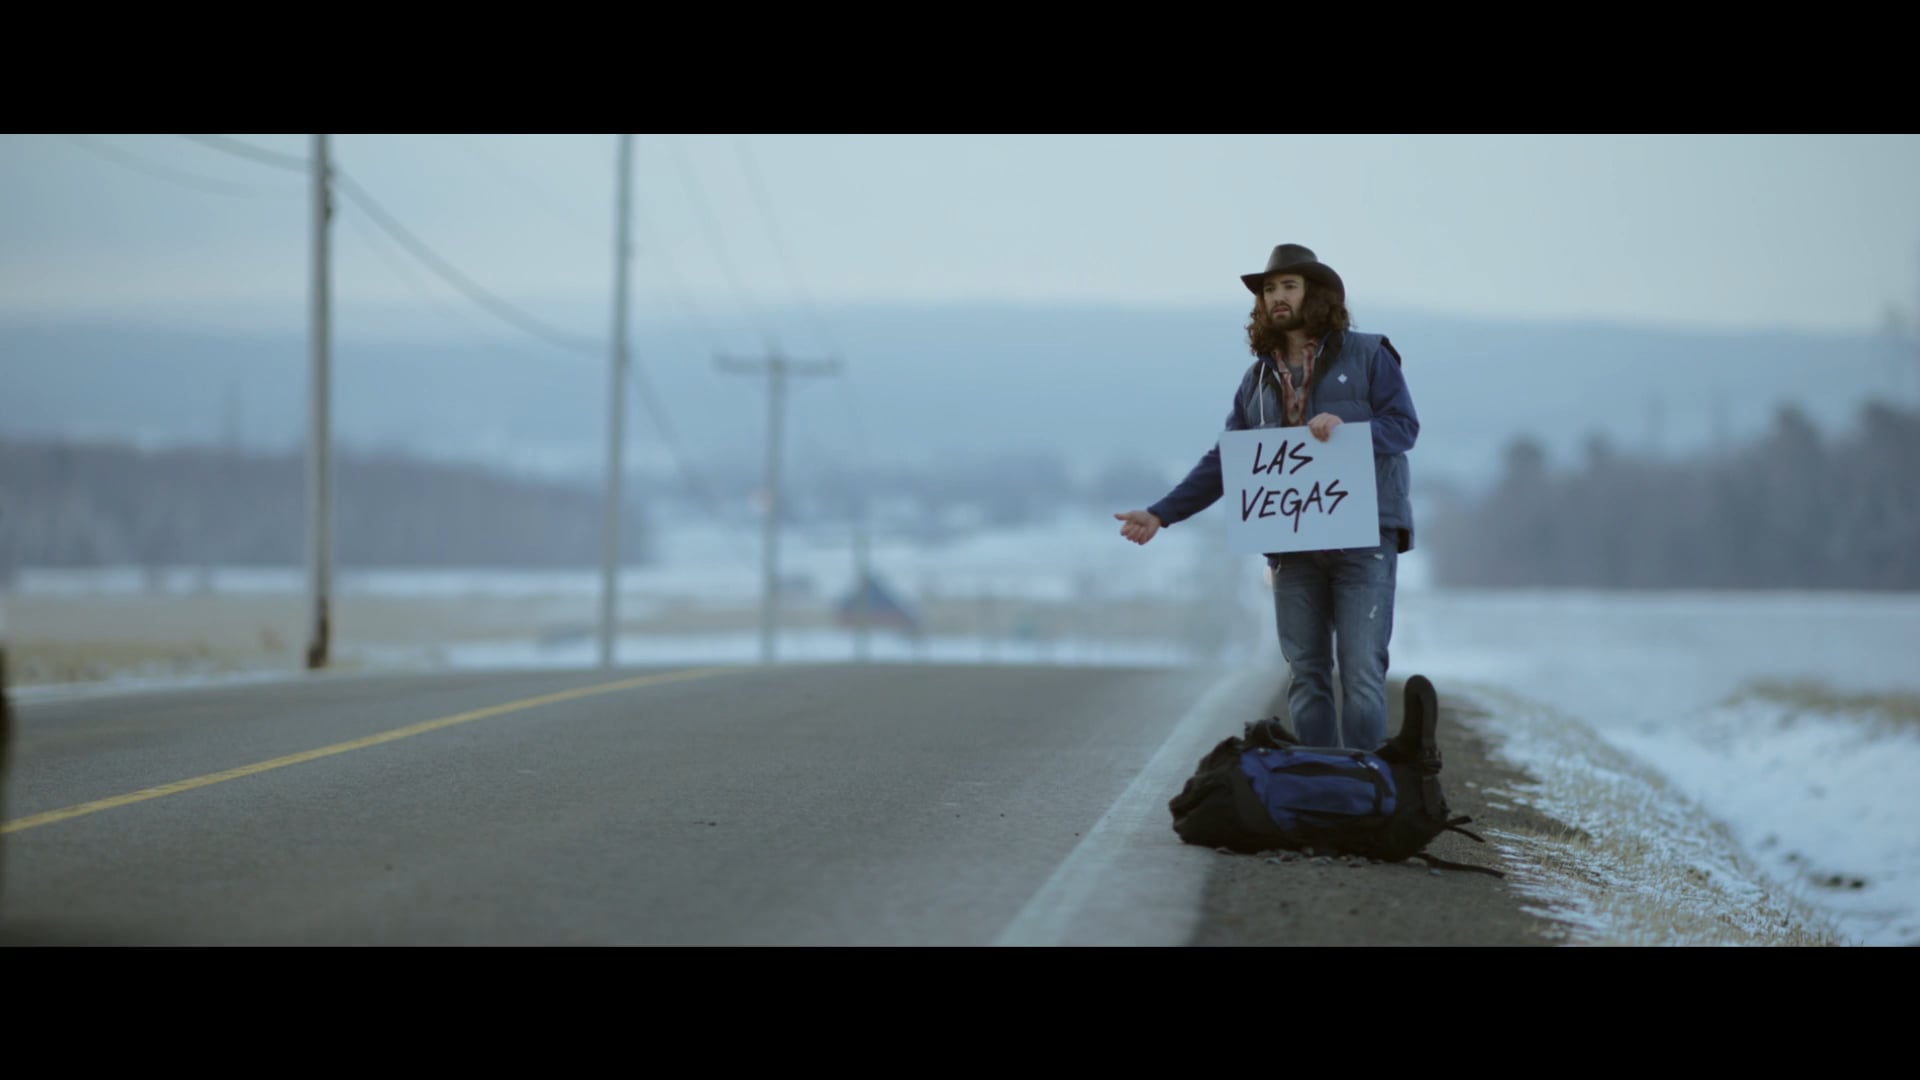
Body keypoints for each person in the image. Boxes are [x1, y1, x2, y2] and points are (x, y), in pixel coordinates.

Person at [1114, 243, 1419, 751]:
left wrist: (1349, 427)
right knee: (1305, 675)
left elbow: (1403, 427)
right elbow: (1226, 462)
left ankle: (1368, 788)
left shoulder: (1369, 354)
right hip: (1291, 548)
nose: (1276, 297)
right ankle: (1321, 786)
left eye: (1288, 286)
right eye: (1270, 289)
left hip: (1364, 539)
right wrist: (1161, 514)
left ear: (1315, 294)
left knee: (1363, 671)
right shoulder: (1256, 379)